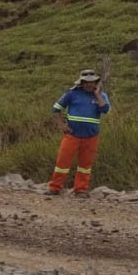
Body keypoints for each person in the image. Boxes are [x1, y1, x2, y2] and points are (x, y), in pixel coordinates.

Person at [45, 69, 111, 197]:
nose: (88, 85)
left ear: (96, 83)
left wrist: (97, 95)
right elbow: (56, 109)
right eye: (86, 82)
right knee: (62, 162)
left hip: (91, 136)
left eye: (91, 82)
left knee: (85, 165)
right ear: (81, 82)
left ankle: (80, 190)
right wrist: (61, 125)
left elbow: (106, 109)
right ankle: (54, 188)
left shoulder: (101, 96)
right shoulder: (71, 94)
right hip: (72, 135)